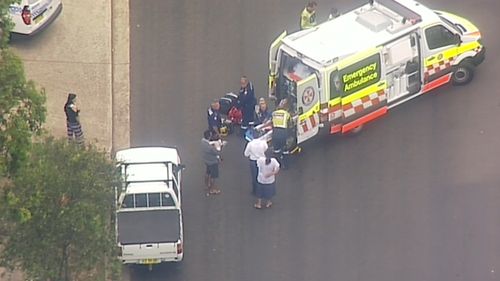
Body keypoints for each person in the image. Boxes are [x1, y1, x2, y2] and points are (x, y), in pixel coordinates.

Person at [244, 130, 268, 195]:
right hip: (262, 161)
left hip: (253, 161)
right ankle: (263, 190)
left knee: (254, 176)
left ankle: (255, 191)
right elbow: (266, 148)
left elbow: (246, 154)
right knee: (262, 175)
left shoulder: (250, 144)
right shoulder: (263, 142)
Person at [271, 98, 293, 169]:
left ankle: (278, 165)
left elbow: (271, 123)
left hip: (275, 134)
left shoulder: (274, 113)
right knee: (285, 150)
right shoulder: (287, 114)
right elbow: (290, 125)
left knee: (276, 150)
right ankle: (286, 166)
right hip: (283, 134)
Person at [201, 130, 222, 195]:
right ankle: (212, 189)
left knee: (207, 172)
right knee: (213, 176)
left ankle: (206, 185)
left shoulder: (202, 141)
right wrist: (220, 146)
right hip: (213, 161)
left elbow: (209, 143)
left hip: (207, 160)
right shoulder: (210, 148)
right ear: (209, 136)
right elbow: (217, 152)